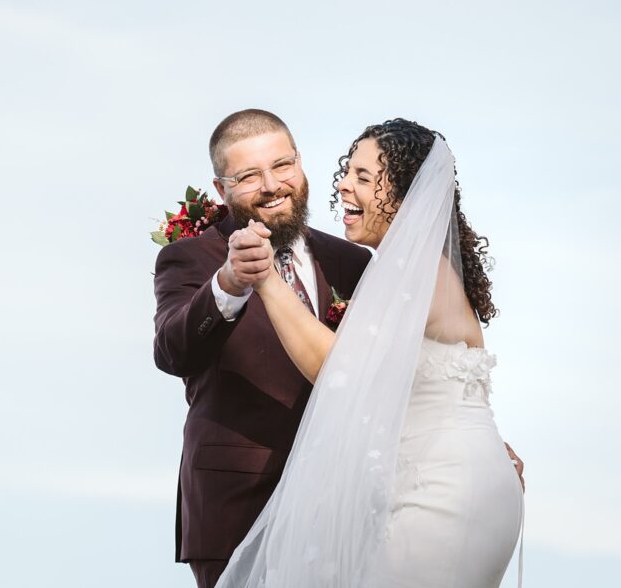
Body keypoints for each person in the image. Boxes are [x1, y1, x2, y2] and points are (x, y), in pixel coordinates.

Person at [215, 119, 525, 587]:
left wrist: (263, 278)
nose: (342, 185)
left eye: (363, 177)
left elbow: (336, 369)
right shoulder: (404, 272)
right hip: (451, 482)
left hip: (445, 493)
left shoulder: (417, 270)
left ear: (404, 197)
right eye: (347, 172)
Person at [153, 109, 373, 588]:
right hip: (238, 505)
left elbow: (388, 371)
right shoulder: (188, 258)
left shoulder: (353, 262)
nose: (272, 185)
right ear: (221, 190)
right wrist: (228, 283)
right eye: (249, 176)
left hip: (340, 505)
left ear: (301, 164)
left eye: (283, 165)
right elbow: (171, 351)